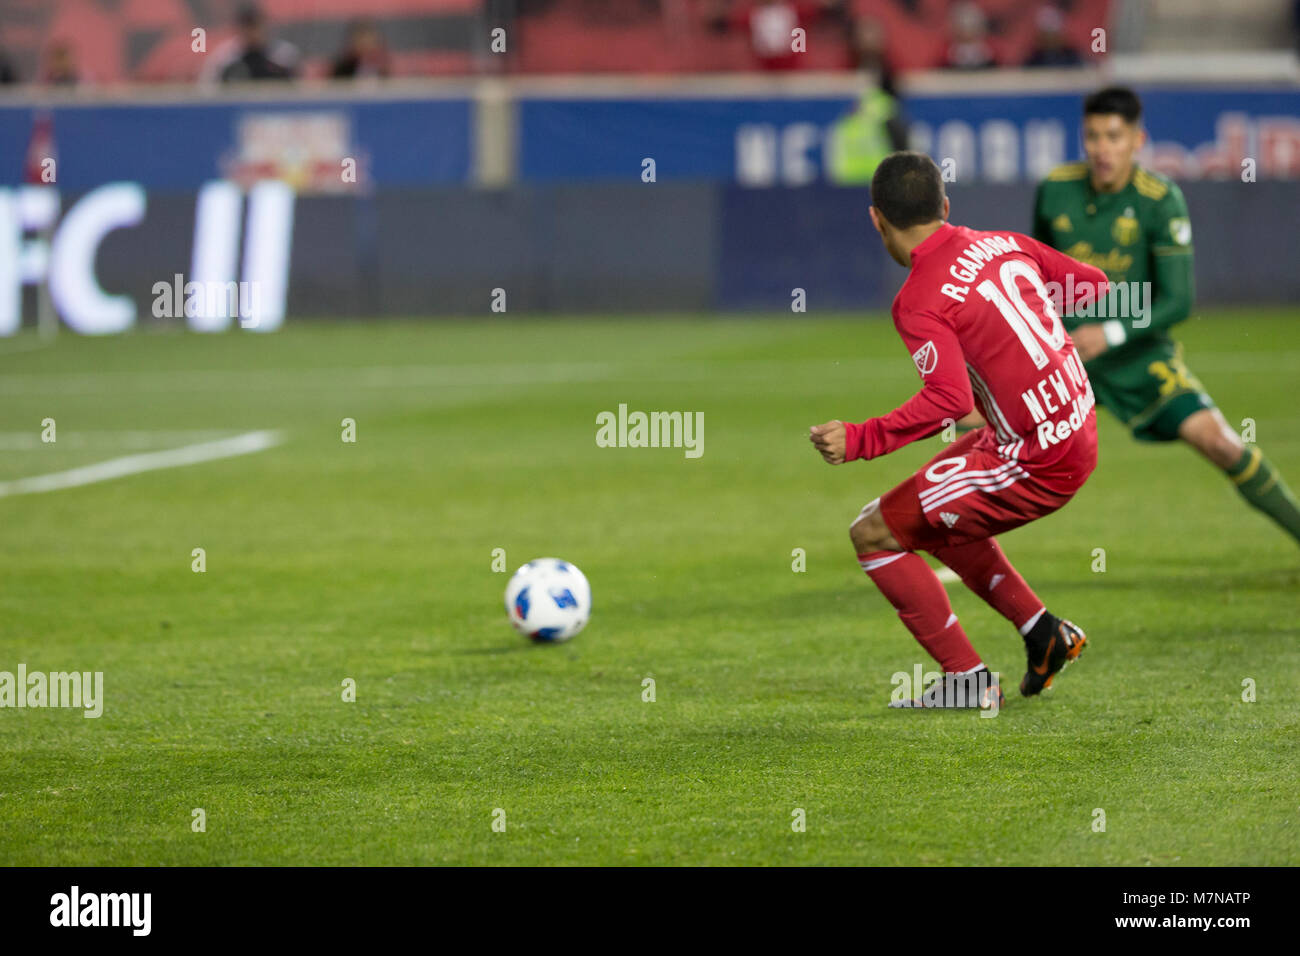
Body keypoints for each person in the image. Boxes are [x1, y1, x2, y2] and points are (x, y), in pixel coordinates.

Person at [809, 152, 1107, 708]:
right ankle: (1045, 635)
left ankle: (968, 682)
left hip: (1035, 457)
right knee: (937, 510)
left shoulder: (918, 299)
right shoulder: (1005, 242)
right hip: (1072, 425)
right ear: (945, 207)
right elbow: (1092, 285)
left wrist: (860, 439)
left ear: (875, 219)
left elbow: (949, 400)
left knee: (873, 534)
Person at [1033, 87, 1300, 548]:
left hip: (1139, 359)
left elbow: (1178, 301)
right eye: (1093, 136)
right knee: (969, 421)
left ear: (1138, 140)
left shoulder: (1161, 199)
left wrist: (1111, 330)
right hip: (1068, 360)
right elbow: (1038, 277)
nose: (1102, 149)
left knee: (1222, 444)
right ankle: (921, 534)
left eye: (1114, 137)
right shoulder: (1055, 190)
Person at [205, 3, 299, 84]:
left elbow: (300, 90)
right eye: (248, 26)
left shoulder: (284, 56)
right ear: (239, 28)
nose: (253, 32)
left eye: (256, 26)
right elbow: (209, 92)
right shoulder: (224, 59)